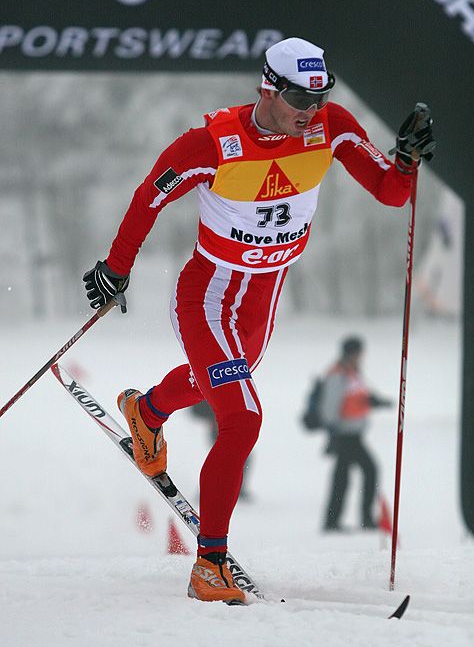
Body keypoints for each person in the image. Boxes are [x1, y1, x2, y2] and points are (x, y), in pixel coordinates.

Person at [82, 37, 436, 604]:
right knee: (242, 417)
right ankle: (209, 566)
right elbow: (149, 196)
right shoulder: (212, 144)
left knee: (211, 384)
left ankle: (144, 412)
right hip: (209, 297)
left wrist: (407, 157)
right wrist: (115, 268)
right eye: (299, 95)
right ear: (267, 88)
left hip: (262, 302)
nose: (312, 109)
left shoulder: (330, 126)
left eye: (321, 94)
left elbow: (392, 193)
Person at [318, 336, 393, 531]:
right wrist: (333, 431)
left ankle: (332, 521)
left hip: (353, 434)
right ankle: (362, 519)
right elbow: (330, 406)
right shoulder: (338, 374)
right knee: (369, 470)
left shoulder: (352, 373)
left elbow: (358, 397)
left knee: (342, 477)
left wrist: (375, 401)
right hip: (345, 435)